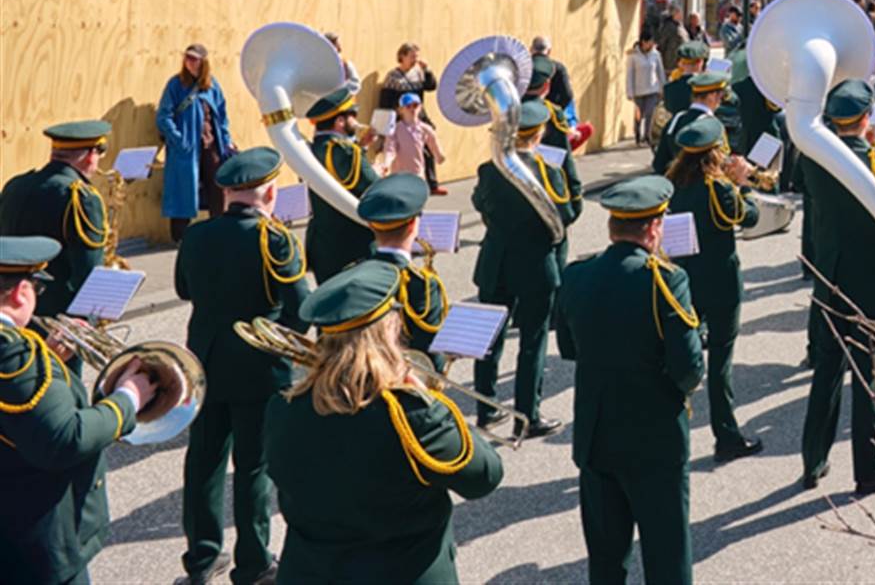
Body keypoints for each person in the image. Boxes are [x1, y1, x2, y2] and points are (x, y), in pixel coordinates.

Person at [266, 263, 504, 583]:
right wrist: (433, 404)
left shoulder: (283, 408)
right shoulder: (412, 415)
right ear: (389, 328)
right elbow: (485, 476)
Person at [556, 176, 704, 585]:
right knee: (667, 558)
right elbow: (689, 367)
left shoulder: (576, 274)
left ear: (612, 227)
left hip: (597, 435)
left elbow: (568, 347)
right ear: (654, 227)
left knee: (606, 561)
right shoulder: (666, 280)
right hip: (654, 439)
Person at [174, 145, 311, 585]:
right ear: (269, 194)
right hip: (259, 367)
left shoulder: (197, 234)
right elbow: (302, 309)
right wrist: (280, 340)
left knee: (203, 461)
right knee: (253, 466)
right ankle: (252, 564)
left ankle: (201, 559)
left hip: (205, 361)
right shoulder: (274, 239)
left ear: (228, 193)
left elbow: (183, 289)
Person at [0, 235, 160, 585]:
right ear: (20, 293)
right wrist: (128, 398)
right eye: (36, 288)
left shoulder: (22, 358)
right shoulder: (14, 356)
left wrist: (46, 360)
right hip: (31, 540)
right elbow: (65, 438)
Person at [797, 80, 875, 493]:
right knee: (867, 373)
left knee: (827, 370)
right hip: (872, 281)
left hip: (830, 278)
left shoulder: (814, 159)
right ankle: (867, 468)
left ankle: (813, 460)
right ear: (868, 118)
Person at [472, 101, 580, 438]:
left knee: (490, 337)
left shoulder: (490, 169)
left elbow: (479, 203)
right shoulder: (548, 171)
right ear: (540, 133)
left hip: (496, 261)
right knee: (533, 341)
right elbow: (567, 214)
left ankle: (487, 408)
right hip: (535, 266)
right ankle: (527, 416)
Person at [663, 118, 763, 463]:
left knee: (680, 358)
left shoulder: (672, 182)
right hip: (720, 281)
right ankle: (726, 435)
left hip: (684, 279)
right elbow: (750, 217)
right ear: (715, 150)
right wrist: (742, 184)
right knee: (720, 360)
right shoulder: (718, 187)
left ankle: (670, 437)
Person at [0, 120, 116, 327]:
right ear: (91, 155)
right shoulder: (81, 196)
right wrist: (91, 318)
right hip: (59, 314)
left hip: (10, 302)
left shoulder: (15, 185)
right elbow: (88, 269)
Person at [354, 174, 448, 370]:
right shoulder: (421, 284)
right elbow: (429, 355)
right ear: (413, 225)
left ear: (371, 225)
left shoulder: (354, 274)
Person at [156, 44, 234, 242]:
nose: (188, 62)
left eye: (194, 59)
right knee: (182, 192)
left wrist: (226, 141)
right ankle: (180, 238)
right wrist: (178, 140)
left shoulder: (212, 85)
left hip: (211, 145)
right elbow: (163, 116)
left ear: (203, 62)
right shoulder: (175, 84)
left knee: (217, 190)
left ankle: (219, 233)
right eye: (187, 58)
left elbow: (222, 116)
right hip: (186, 149)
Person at [302, 88, 379, 284]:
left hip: (323, 244)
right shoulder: (346, 152)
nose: (357, 121)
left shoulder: (310, 148)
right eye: (353, 116)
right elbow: (375, 187)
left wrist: (361, 148)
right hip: (352, 244)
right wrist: (378, 170)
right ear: (340, 121)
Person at [377, 43, 442, 194]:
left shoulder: (418, 73)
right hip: (402, 119)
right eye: (412, 56)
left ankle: (433, 184)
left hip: (419, 117)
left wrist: (427, 70)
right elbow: (385, 101)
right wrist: (386, 124)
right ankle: (401, 184)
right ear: (402, 56)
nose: (415, 60)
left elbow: (431, 86)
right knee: (403, 152)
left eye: (416, 56)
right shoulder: (393, 77)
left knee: (428, 147)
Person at [654, 69, 729, 177]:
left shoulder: (676, 120)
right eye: (721, 95)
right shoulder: (712, 127)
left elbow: (659, 164)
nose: (721, 100)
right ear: (712, 96)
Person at [386, 94, 445, 188]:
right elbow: (390, 148)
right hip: (399, 175)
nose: (412, 109)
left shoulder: (425, 128)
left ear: (420, 108)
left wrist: (439, 156)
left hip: (417, 174)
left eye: (415, 105)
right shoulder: (395, 129)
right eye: (408, 106)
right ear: (400, 110)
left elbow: (433, 143)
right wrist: (387, 163)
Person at [628, 35, 666, 147]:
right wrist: (630, 92)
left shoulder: (656, 54)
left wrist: (663, 87)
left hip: (652, 89)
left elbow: (660, 71)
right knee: (638, 115)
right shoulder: (633, 56)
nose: (651, 44)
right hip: (638, 90)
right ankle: (637, 134)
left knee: (650, 113)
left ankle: (647, 136)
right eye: (649, 42)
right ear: (643, 42)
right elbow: (630, 74)